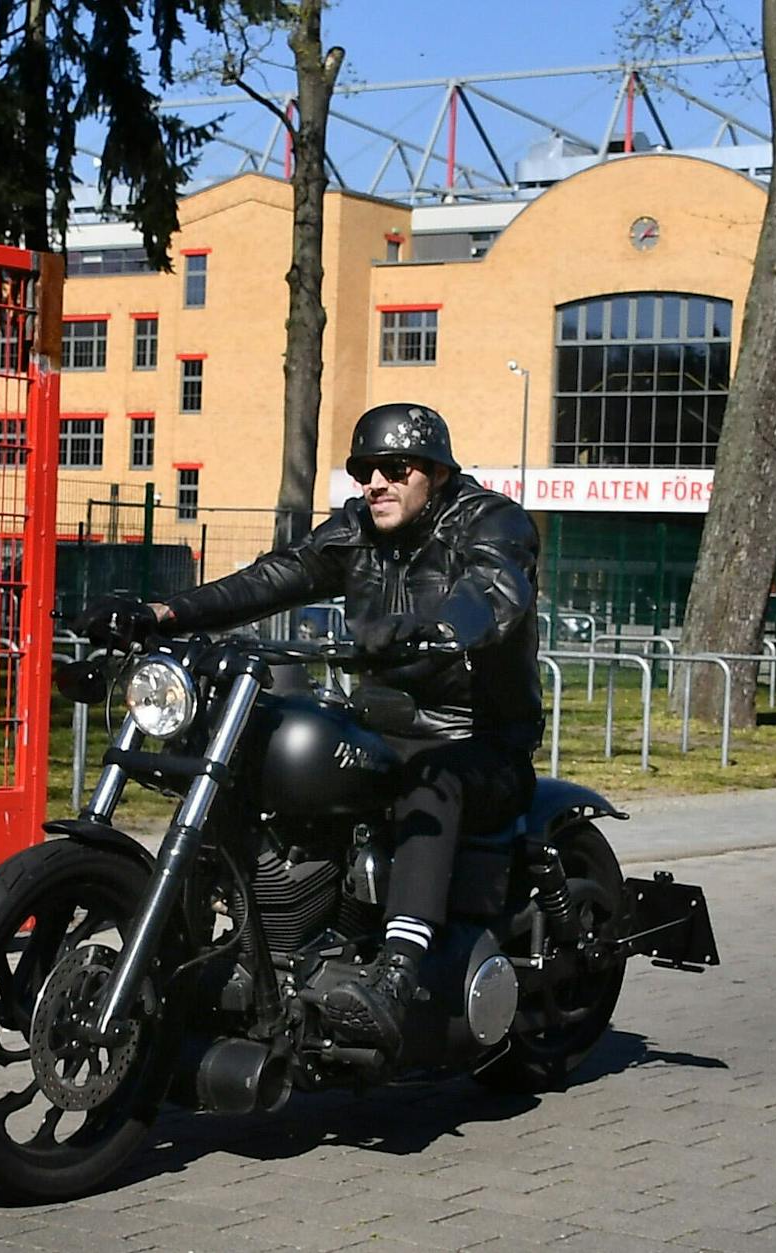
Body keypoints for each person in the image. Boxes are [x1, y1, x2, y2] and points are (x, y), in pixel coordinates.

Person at [143, 402, 542, 1057]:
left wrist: (446, 628)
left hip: (473, 739)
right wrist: (165, 612)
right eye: (365, 470)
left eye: (394, 467)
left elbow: (494, 585)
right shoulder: (360, 530)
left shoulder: (490, 519)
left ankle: (397, 974)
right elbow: (276, 576)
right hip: (380, 728)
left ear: (435, 474)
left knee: (428, 780)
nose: (375, 482)